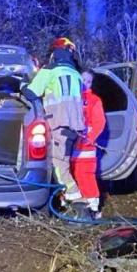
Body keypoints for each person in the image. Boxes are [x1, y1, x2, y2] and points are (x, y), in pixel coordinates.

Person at [24, 37, 86, 205]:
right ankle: (66, 198)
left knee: (59, 163)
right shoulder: (76, 74)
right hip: (76, 126)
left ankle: (76, 199)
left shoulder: (49, 71)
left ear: (54, 54)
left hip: (59, 123)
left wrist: (23, 85)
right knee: (65, 161)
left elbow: (31, 93)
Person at [71, 71, 107, 219]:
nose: (85, 84)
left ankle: (93, 207)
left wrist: (89, 138)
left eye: (88, 81)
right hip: (72, 146)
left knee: (86, 176)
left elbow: (100, 123)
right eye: (82, 80)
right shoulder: (72, 98)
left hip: (86, 147)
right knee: (74, 175)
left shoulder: (94, 100)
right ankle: (78, 206)